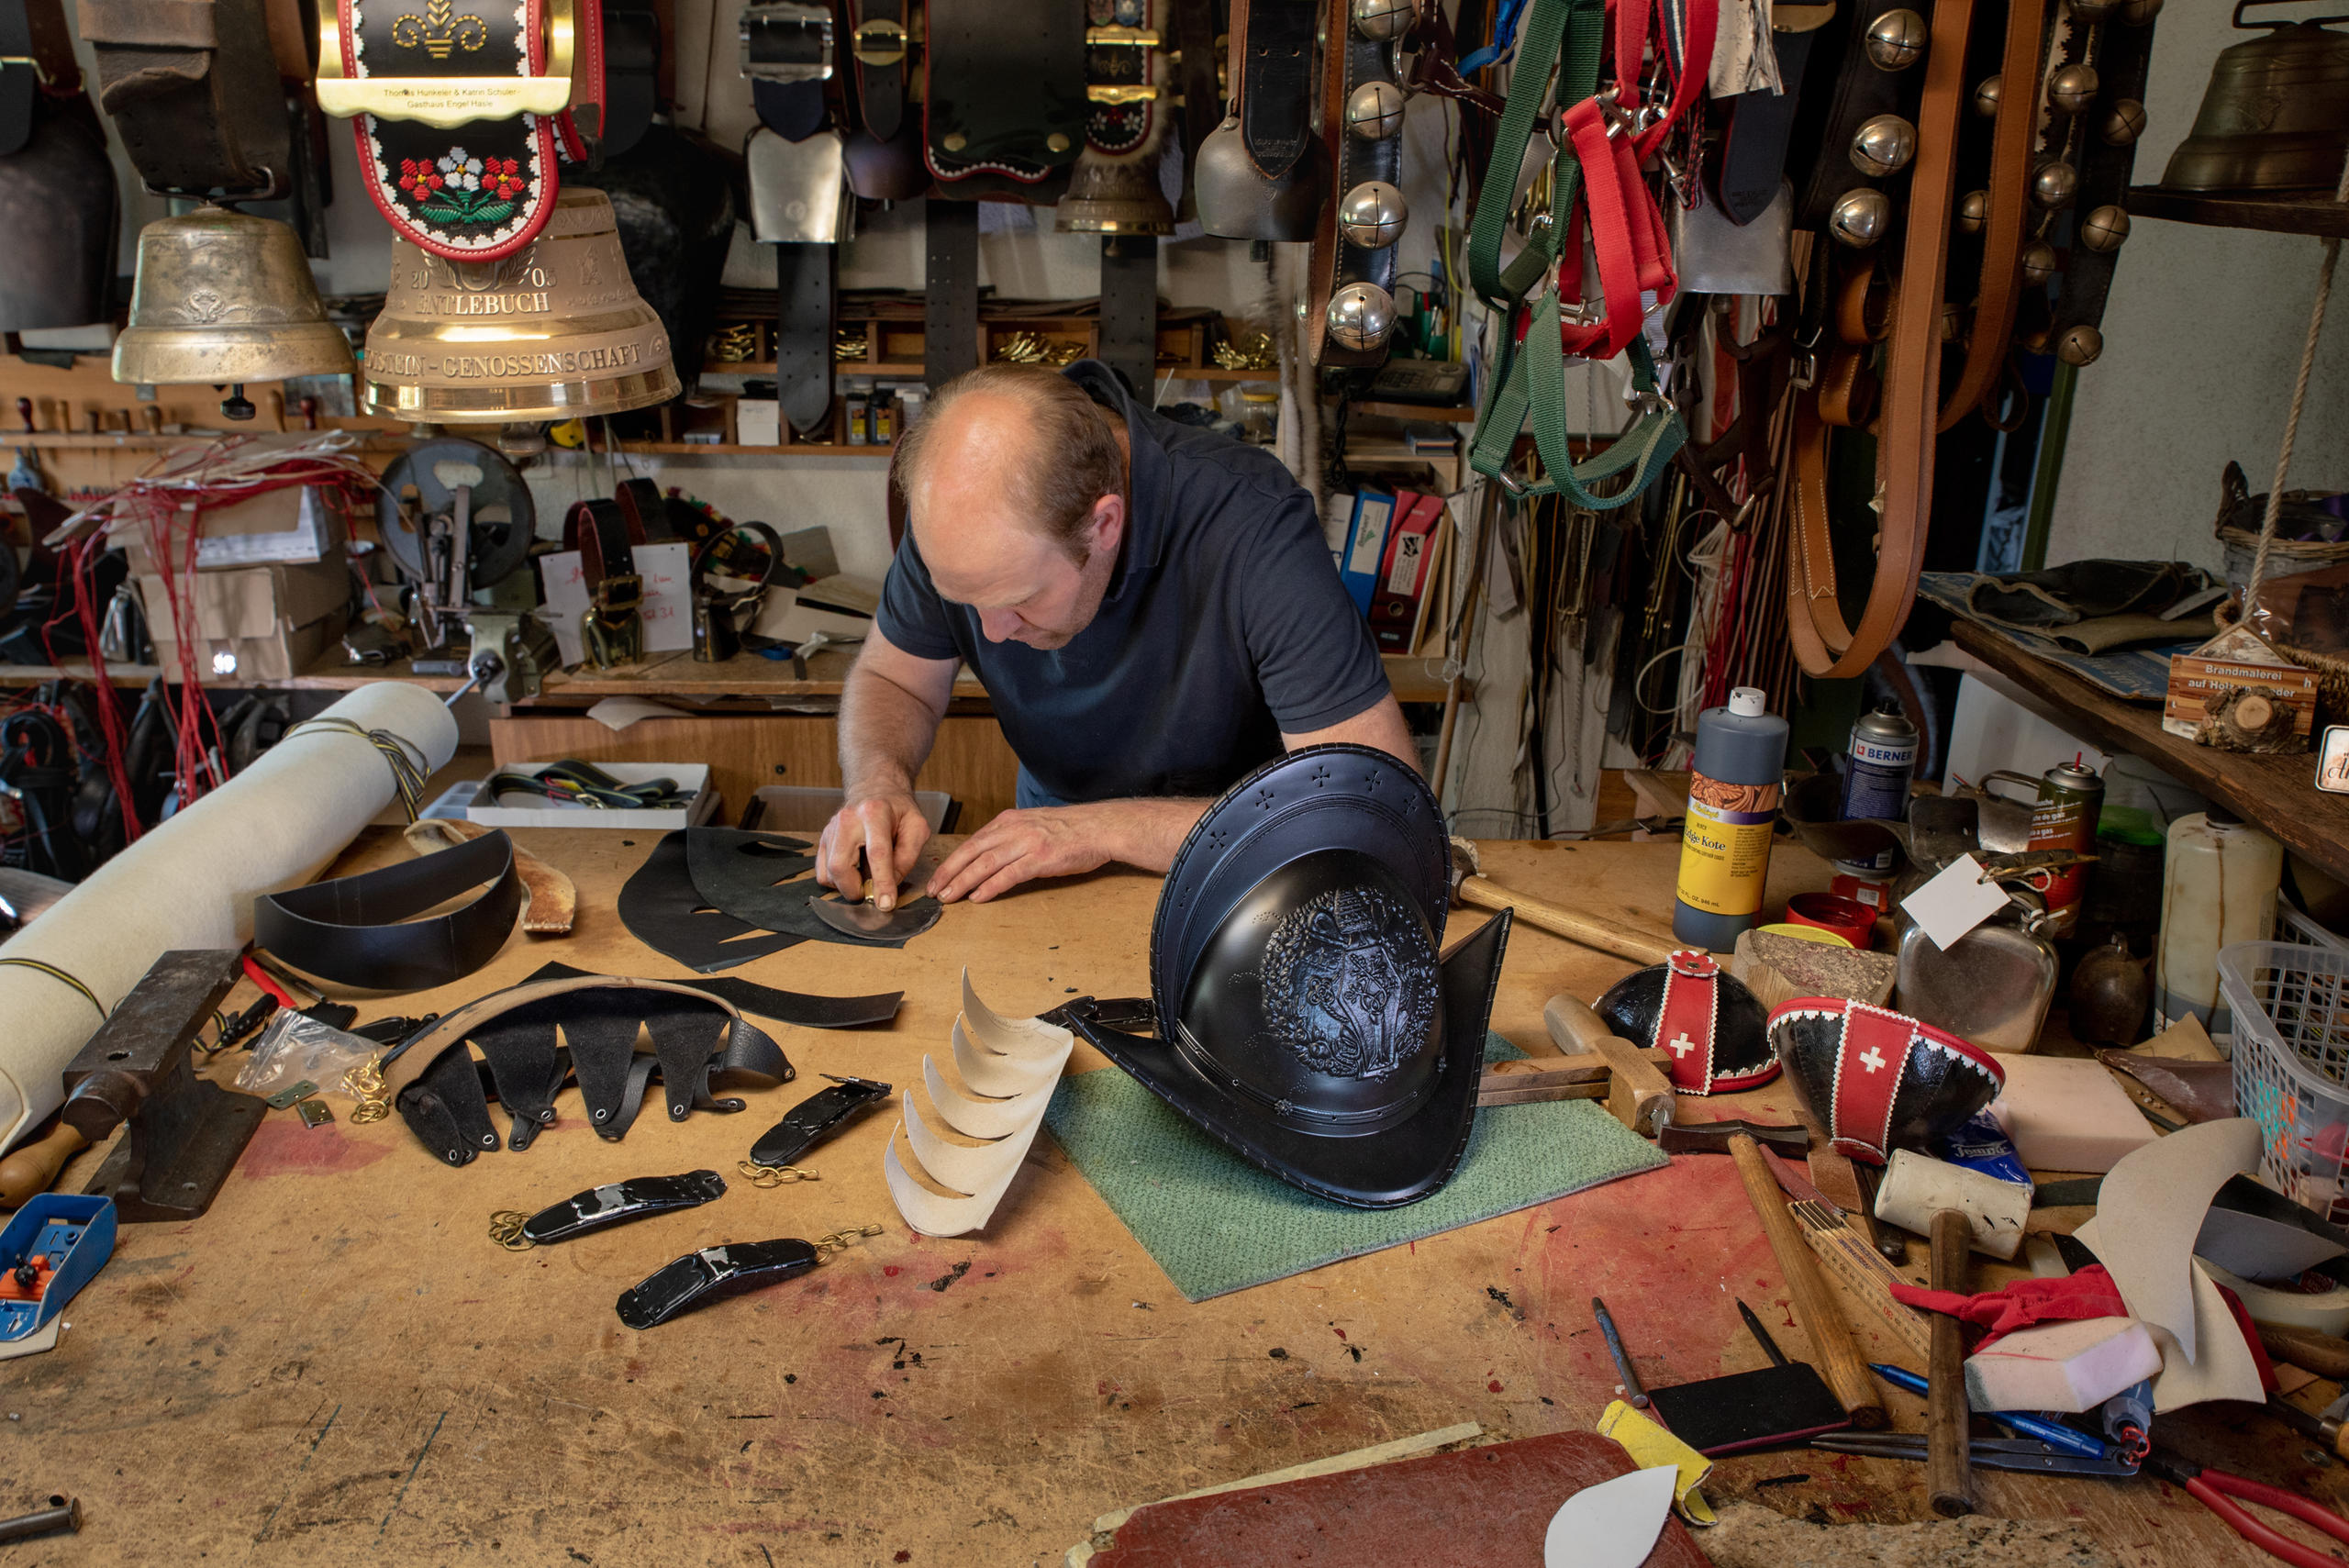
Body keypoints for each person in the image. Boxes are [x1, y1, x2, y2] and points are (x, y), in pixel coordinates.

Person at [814, 359, 1416, 907]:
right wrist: (879, 780)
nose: (990, 636)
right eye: (963, 602)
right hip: (1052, 852)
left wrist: (1097, 828)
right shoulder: (960, 525)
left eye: (1019, 601)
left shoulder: (1253, 529)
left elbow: (1364, 807)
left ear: (1103, 524)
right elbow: (896, 677)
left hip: (1254, 862)